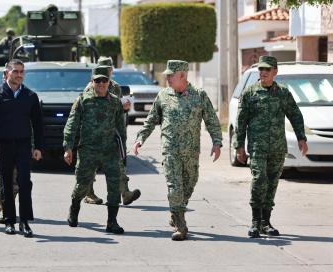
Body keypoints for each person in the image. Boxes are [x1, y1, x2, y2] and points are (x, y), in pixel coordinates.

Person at [132, 60, 222, 241]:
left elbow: (211, 120)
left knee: (190, 183)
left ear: (182, 75)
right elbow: (150, 120)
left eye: (170, 75)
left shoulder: (199, 95)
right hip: (170, 150)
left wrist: (217, 142)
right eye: (166, 75)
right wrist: (140, 139)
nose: (167, 78)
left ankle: (175, 212)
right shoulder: (163, 96)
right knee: (175, 187)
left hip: (191, 151)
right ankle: (181, 225)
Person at [233, 55, 308, 238]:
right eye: (261, 69)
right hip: (258, 147)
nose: (263, 72)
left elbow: (295, 115)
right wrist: (239, 146)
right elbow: (241, 122)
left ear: (275, 72)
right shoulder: (250, 93)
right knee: (259, 180)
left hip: (277, 147)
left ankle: (266, 222)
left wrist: (301, 138)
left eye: (267, 69)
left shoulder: (283, 93)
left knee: (272, 184)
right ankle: (255, 222)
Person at [0, 59, 44, 237]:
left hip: (24, 145)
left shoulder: (31, 96)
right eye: (15, 71)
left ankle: (24, 222)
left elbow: (38, 124)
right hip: (3, 145)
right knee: (5, 184)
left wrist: (38, 146)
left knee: (25, 182)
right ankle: (9, 221)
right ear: (7, 73)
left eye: (21, 72)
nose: (19, 75)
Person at [64, 66, 126, 234]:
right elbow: (72, 124)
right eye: (97, 80)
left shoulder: (114, 102)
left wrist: (123, 151)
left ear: (109, 82)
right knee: (82, 185)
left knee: (114, 186)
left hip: (110, 151)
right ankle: (74, 207)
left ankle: (112, 222)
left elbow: (121, 127)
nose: (101, 84)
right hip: (88, 151)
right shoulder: (83, 100)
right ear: (92, 82)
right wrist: (68, 147)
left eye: (104, 80)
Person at [82, 56, 141, 206]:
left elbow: (116, 107)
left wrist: (124, 107)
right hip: (95, 134)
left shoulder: (115, 86)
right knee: (91, 165)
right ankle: (88, 193)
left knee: (118, 163)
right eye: (103, 69)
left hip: (114, 132)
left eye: (108, 69)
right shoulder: (91, 87)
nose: (107, 72)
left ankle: (125, 193)